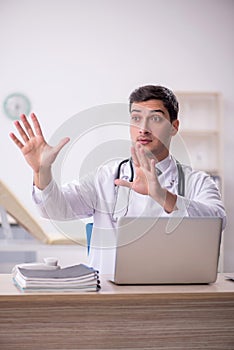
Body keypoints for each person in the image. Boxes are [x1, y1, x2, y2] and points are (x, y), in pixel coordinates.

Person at [10, 85, 226, 274]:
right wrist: (43, 171)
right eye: (136, 118)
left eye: (156, 118)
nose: (143, 128)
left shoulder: (197, 181)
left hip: (176, 294)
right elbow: (55, 210)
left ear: (174, 127)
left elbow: (216, 221)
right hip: (111, 297)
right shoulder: (106, 177)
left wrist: (162, 195)